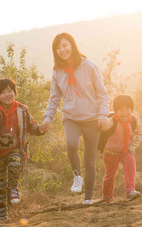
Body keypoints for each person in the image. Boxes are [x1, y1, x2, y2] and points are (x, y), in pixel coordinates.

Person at [41, 32, 110, 205]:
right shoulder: (57, 72)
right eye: (58, 47)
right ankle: (76, 176)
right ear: (55, 51)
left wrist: (103, 115)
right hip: (70, 117)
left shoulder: (89, 66)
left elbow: (102, 93)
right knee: (71, 144)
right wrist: (47, 118)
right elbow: (54, 98)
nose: (62, 50)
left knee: (90, 160)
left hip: (92, 119)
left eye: (65, 45)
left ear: (72, 45)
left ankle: (88, 198)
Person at [0, 78, 45, 219]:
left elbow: (32, 126)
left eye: (10, 91)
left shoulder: (22, 109)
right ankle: (2, 217)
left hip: (15, 150)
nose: (7, 94)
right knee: (0, 187)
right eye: (3, 92)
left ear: (15, 92)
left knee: (15, 164)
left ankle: (14, 188)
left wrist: (40, 129)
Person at [98, 95, 142, 203]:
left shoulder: (134, 120)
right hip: (110, 152)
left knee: (130, 163)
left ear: (131, 110)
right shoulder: (111, 122)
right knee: (109, 176)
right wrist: (101, 118)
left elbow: (140, 134)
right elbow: (101, 126)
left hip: (125, 150)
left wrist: (131, 147)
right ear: (116, 111)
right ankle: (107, 197)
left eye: (128, 109)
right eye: (121, 110)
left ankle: (130, 191)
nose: (125, 113)